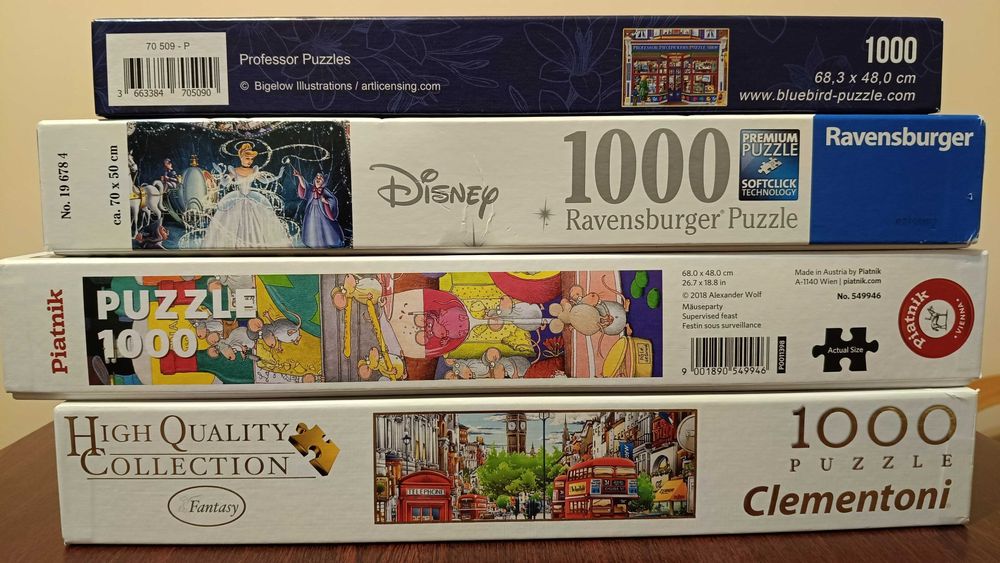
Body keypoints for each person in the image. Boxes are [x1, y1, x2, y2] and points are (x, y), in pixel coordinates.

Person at [203, 142, 292, 248]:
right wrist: (222, 176)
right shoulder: (235, 170)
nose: (250, 161)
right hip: (237, 198)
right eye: (247, 158)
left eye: (251, 159)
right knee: (232, 220)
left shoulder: (253, 170)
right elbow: (224, 183)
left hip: (251, 197)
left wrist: (278, 176)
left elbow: (264, 180)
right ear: (241, 157)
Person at [293, 168, 345, 248]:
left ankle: (329, 242)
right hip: (311, 212)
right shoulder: (311, 188)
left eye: (320, 178)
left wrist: (326, 202)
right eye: (317, 177)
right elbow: (304, 186)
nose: (318, 179)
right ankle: (312, 242)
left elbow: (333, 200)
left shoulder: (325, 191)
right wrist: (299, 176)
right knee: (312, 226)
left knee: (326, 228)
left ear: (324, 182)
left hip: (322, 213)